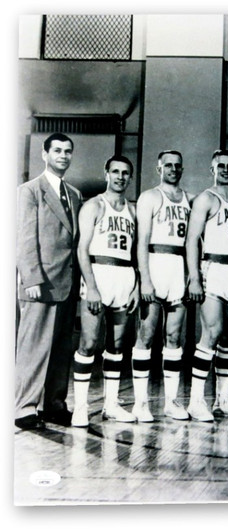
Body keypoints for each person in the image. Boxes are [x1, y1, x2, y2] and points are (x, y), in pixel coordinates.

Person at [15, 133, 83, 430]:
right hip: (40, 283)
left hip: (67, 282)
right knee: (33, 348)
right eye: (57, 151)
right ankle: (23, 407)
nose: (63, 156)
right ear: (45, 154)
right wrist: (31, 277)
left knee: (60, 348)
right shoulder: (29, 191)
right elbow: (25, 238)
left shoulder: (75, 194)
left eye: (68, 151)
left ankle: (54, 404)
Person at [71, 155, 139, 427]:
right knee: (88, 343)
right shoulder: (93, 206)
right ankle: (80, 406)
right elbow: (82, 249)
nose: (120, 176)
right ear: (106, 173)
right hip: (98, 274)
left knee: (117, 346)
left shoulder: (133, 210)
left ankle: (111, 405)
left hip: (124, 277)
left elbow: (135, 253)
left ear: (130, 177)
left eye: (125, 173)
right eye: (115, 171)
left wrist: (137, 285)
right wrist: (92, 287)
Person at [130, 150, 193, 422]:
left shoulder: (189, 198)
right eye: (168, 165)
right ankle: (140, 403)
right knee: (146, 335)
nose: (173, 169)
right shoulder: (150, 197)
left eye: (178, 165)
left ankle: (170, 401)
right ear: (159, 169)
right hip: (155, 264)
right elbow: (141, 242)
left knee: (174, 337)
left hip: (178, 267)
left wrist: (193, 273)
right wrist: (144, 278)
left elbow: (193, 242)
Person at [185, 149, 228, 421]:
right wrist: (195, 277)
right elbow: (191, 241)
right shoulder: (206, 199)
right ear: (213, 170)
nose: (226, 170)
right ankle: (196, 400)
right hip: (214, 268)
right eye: (220, 166)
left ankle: (223, 397)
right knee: (211, 333)